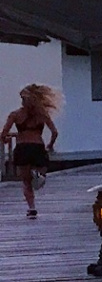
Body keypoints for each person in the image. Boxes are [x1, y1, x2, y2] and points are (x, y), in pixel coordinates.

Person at [2, 84, 59, 218]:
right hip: (37, 147)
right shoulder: (42, 115)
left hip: (22, 147)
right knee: (41, 170)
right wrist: (50, 145)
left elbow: (4, 134)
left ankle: (32, 208)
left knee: (26, 182)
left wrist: (5, 139)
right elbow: (54, 132)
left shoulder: (15, 115)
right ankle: (39, 174)